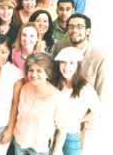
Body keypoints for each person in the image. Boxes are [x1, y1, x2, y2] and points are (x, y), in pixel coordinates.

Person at [52, 14, 109, 150]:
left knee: (75, 148)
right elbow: (53, 76)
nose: (74, 30)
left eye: (79, 26)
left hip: (78, 119)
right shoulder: (59, 45)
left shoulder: (100, 57)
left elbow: (102, 90)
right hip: (55, 116)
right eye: (71, 26)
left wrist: (89, 119)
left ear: (88, 30)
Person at [14, 53, 67, 155]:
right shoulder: (25, 88)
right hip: (19, 143)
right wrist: (15, 135)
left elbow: (62, 129)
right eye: (31, 70)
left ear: (48, 73)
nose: (34, 74)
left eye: (39, 71)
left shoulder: (58, 99)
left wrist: (55, 151)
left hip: (39, 149)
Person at [52, 47, 101, 155]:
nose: (66, 67)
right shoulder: (58, 81)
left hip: (70, 133)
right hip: (53, 130)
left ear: (78, 65)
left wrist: (78, 119)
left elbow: (96, 112)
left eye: (71, 63)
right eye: (63, 62)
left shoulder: (85, 88)